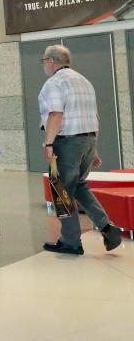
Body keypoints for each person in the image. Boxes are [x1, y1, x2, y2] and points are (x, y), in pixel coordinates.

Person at [38, 45, 122, 255]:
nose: (44, 66)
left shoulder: (54, 83)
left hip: (66, 143)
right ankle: (107, 227)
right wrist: (93, 149)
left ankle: (70, 241)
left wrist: (48, 144)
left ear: (51, 61)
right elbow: (94, 115)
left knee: (62, 191)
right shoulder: (84, 81)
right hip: (88, 140)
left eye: (44, 61)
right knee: (79, 186)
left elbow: (56, 114)